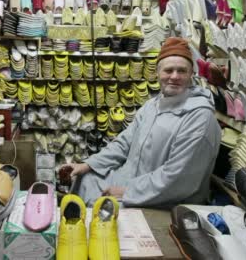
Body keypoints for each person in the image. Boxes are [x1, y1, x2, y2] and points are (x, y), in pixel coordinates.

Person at [65, 37, 221, 208]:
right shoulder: (152, 106)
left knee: (104, 208)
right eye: (168, 70)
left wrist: (127, 192)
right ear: (157, 73)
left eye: (182, 71)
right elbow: (124, 142)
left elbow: (178, 178)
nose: (174, 77)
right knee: (84, 179)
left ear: (191, 74)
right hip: (133, 179)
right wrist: (88, 164)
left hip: (165, 198)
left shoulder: (199, 117)